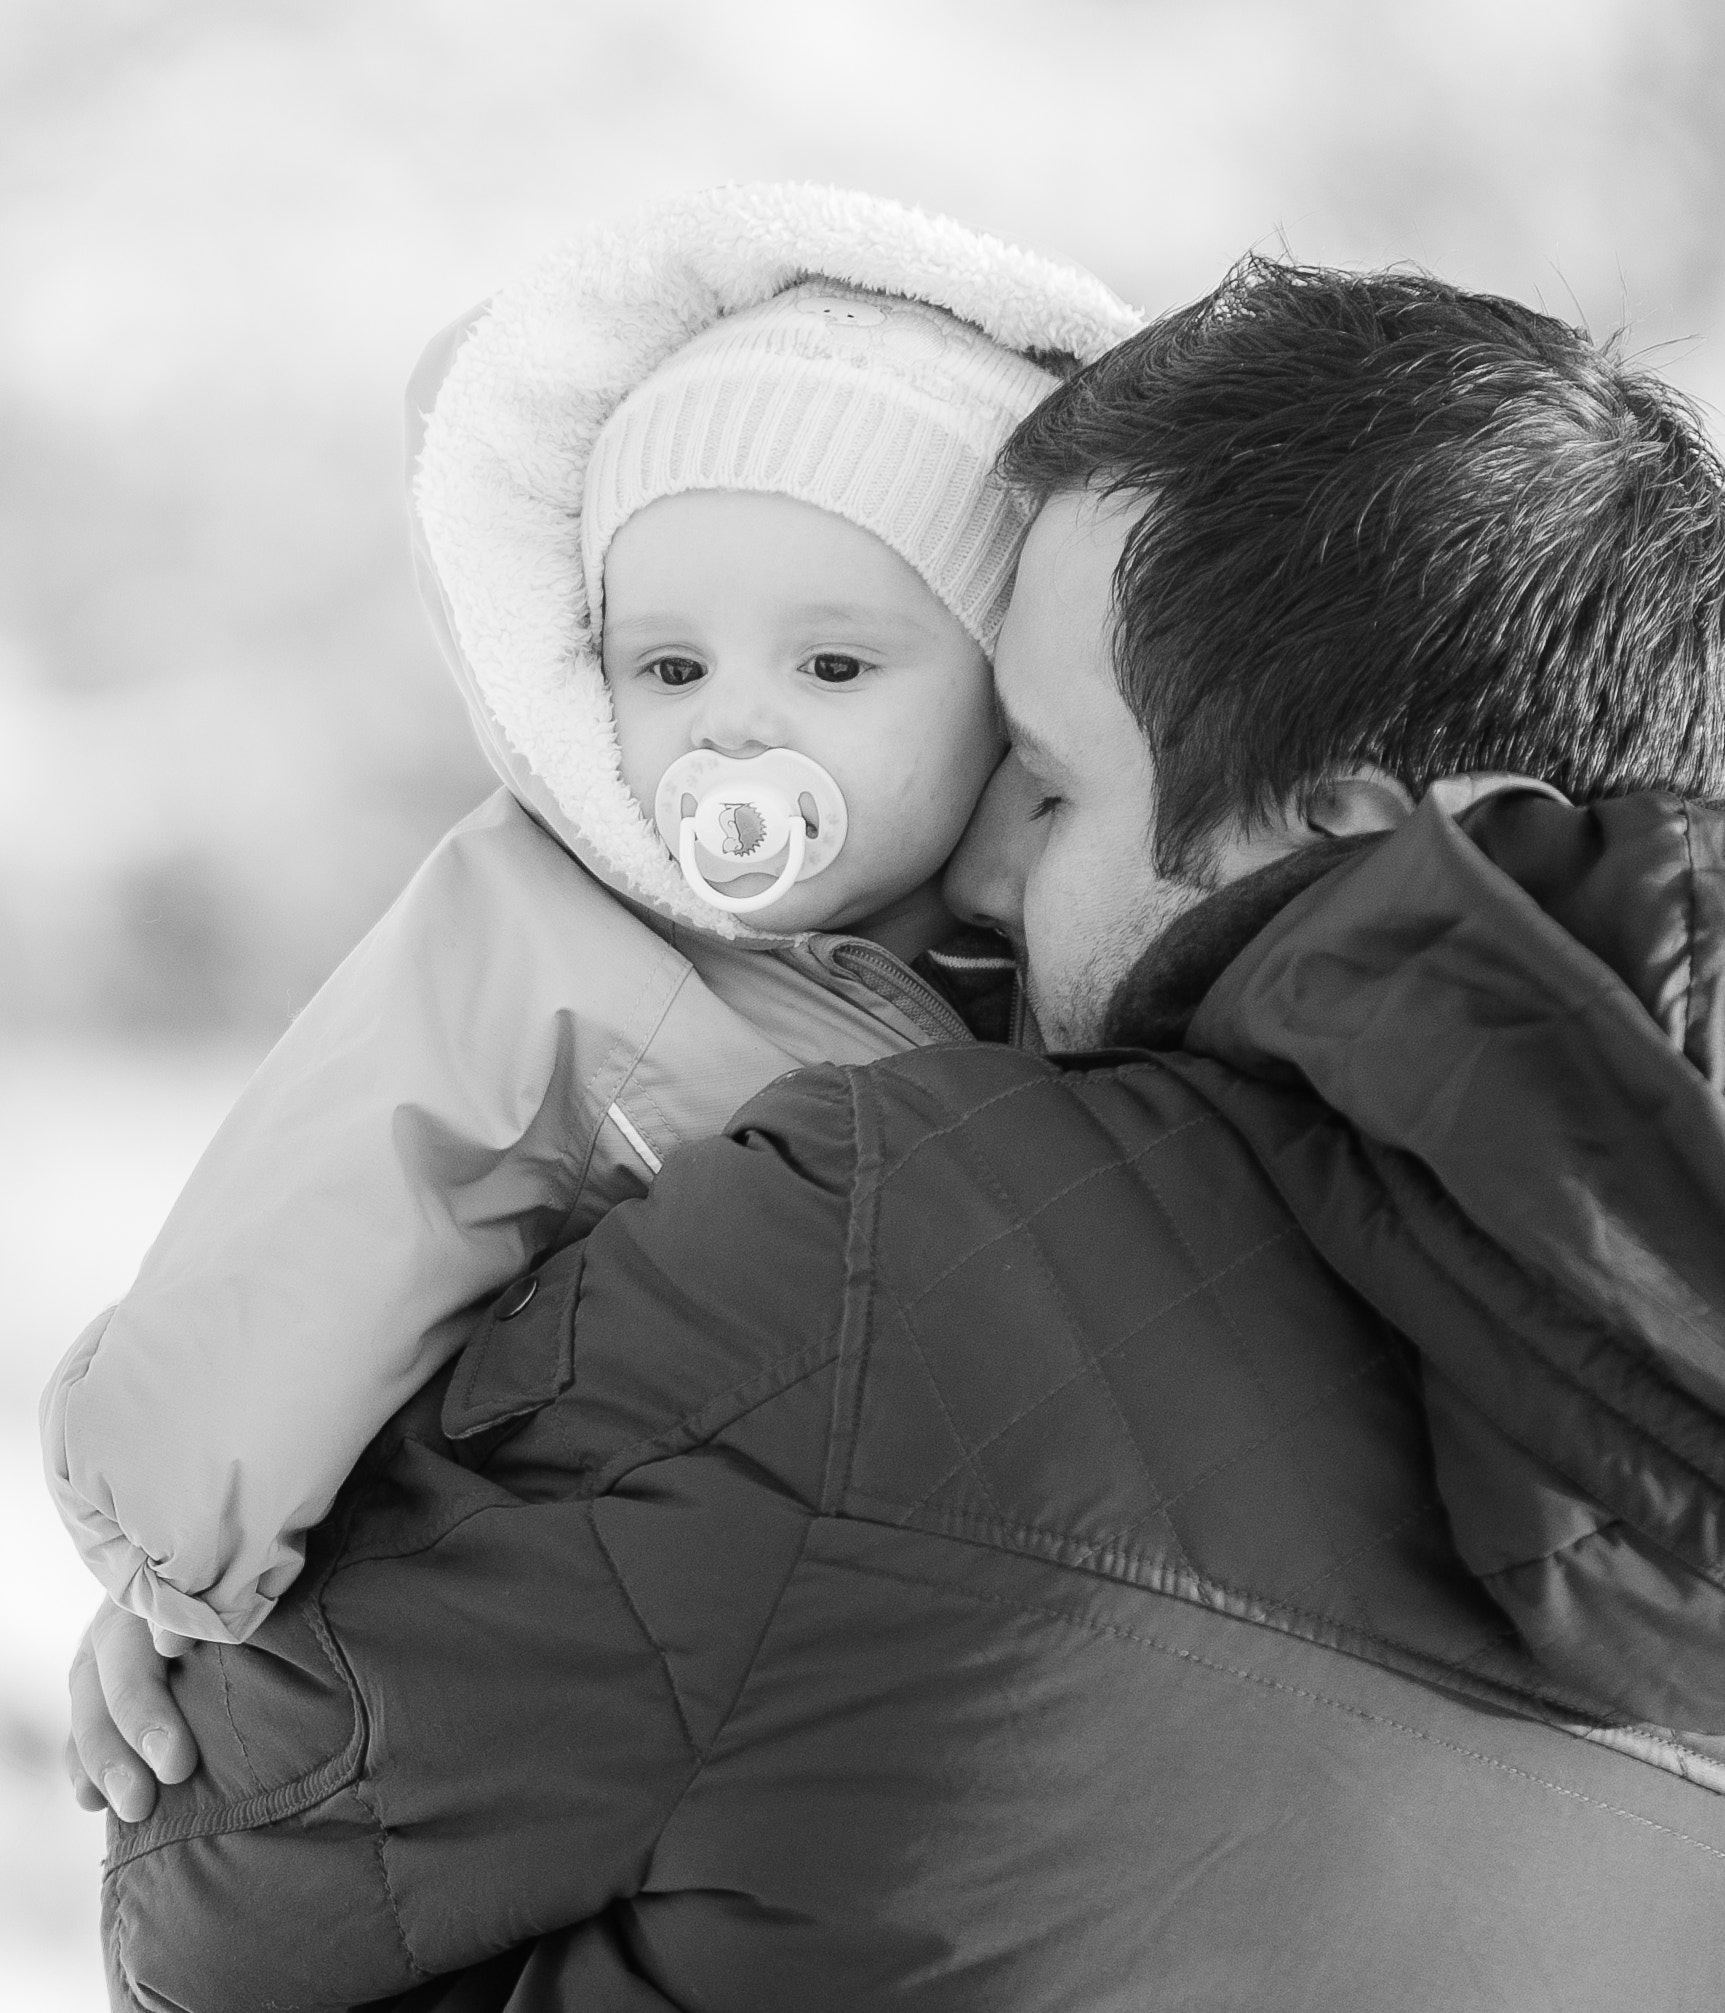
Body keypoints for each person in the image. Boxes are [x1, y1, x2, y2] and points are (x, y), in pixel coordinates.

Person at [81, 261, 1725, 2012]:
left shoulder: (890, 1240)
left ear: (1351, 831)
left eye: (1056, 780)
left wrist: (267, 1613)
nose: (986, 863)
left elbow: (216, 1893)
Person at [39, 183, 1138, 1653]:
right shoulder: (547, 931)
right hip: (597, 1616)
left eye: (830, 666)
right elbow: (347, 1193)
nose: (732, 727)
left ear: (1003, 694)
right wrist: (174, 1562)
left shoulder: (1076, 936)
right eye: (669, 669)